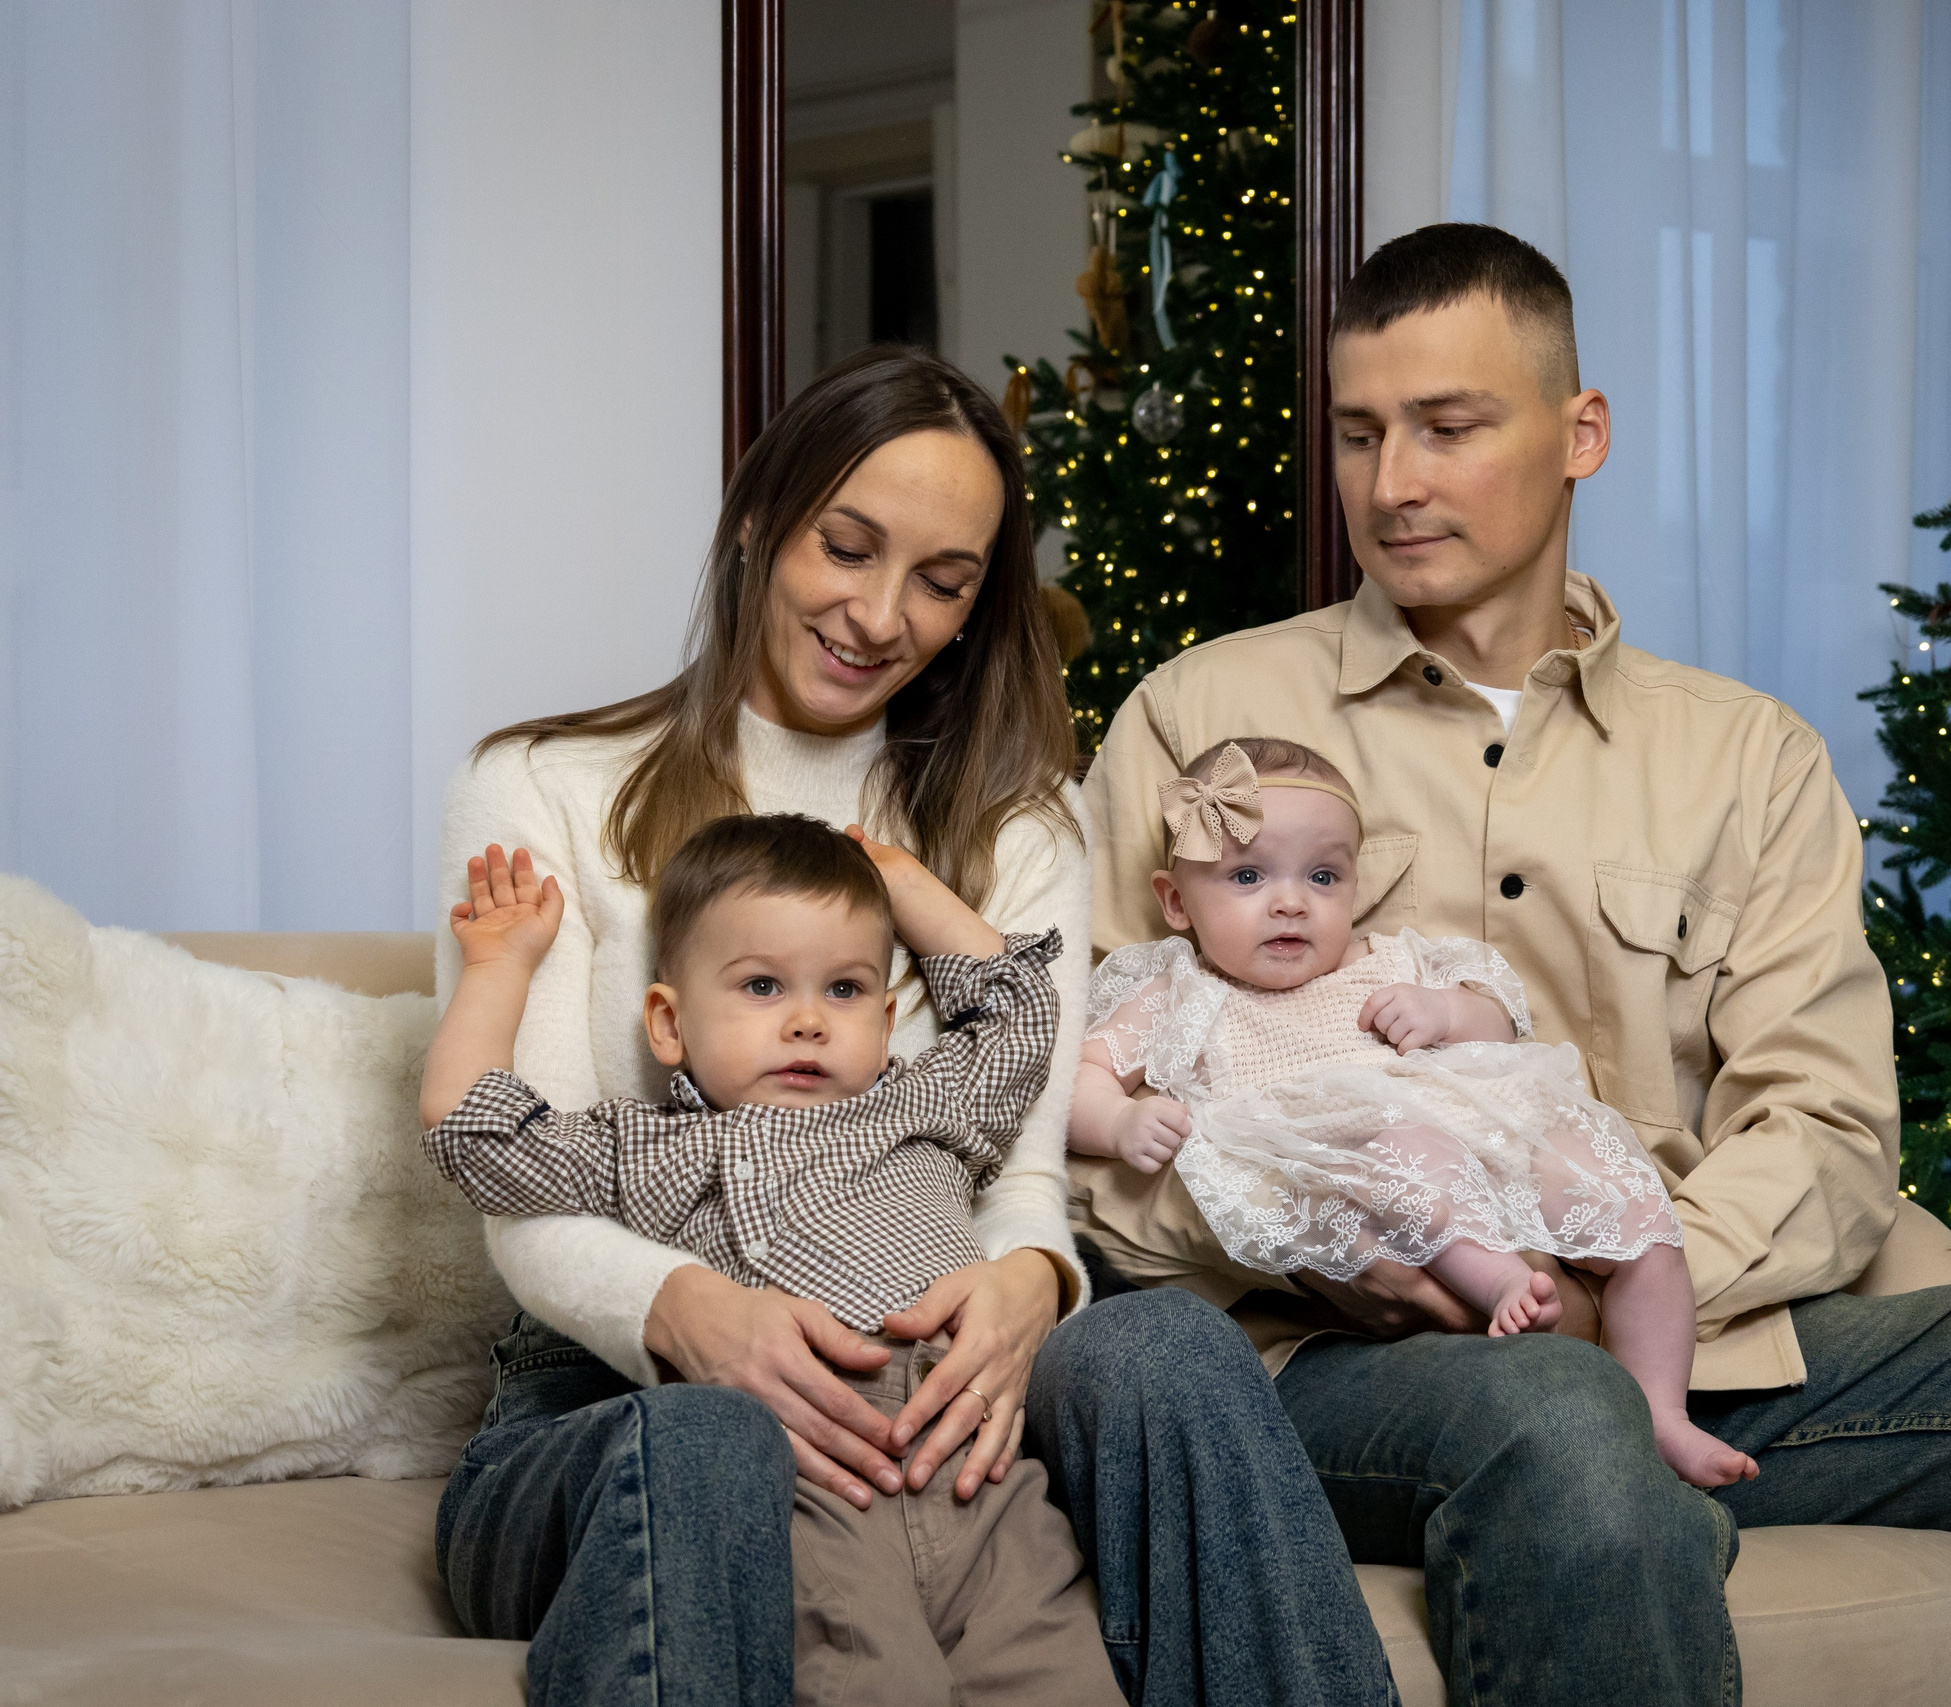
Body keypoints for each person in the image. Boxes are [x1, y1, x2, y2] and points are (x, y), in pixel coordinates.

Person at [1067, 223, 1951, 1706]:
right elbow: (1082, 1114)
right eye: (1359, 434)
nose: (1392, 481)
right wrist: (1337, 1248)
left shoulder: (1743, 757)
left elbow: (1825, 1129)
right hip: (1343, 1359)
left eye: (1447, 426)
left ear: (1581, 433)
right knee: (1559, 1416)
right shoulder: (1201, 719)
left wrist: (1617, 1273)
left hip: (1684, 1336)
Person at [434, 346, 1390, 1707]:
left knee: (1168, 1346)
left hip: (933, 1372)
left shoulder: (1019, 828)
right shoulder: (541, 784)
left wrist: (1027, 1284)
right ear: (759, 522)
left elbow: (1021, 1165)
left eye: (941, 581)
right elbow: (516, 1181)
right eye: (847, 546)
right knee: (708, 1439)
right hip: (611, 1391)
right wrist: (697, 1316)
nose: (880, 614)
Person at [421, 815, 1118, 1703]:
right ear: (668, 1022)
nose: (807, 1021)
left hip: (988, 1483)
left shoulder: (926, 1106)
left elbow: (1020, 1010)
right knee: (874, 1681)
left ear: (887, 1021)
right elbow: (476, 1133)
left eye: (845, 988)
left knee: (1068, 1682)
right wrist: (497, 968)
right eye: (761, 985)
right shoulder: (659, 1148)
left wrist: (899, 879)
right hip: (813, 1487)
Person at [1068, 737, 1757, 1488]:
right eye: (1248, 875)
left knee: (1638, 1213)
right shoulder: (1182, 995)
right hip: (1377, 1168)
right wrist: (1120, 1122)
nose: (1291, 901)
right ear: (1176, 901)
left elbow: (1501, 1026)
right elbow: (1081, 1078)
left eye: (1322, 876)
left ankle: (1661, 1409)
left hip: (1497, 1129)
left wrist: (1446, 1012)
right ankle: (1502, 1285)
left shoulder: (1396, 959)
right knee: (1415, 1157)